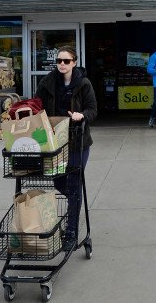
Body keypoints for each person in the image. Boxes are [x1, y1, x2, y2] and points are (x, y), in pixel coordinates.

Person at [35, 46, 97, 252]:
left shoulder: (84, 84)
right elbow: (37, 106)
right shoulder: (46, 83)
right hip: (53, 142)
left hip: (78, 141)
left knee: (74, 181)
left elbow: (92, 109)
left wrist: (82, 116)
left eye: (66, 61)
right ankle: (74, 201)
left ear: (74, 63)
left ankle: (71, 232)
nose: (62, 64)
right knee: (59, 180)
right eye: (59, 61)